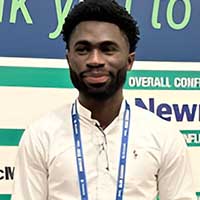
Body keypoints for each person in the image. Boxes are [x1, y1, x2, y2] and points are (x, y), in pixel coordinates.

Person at [11, 0, 196, 199]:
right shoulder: (41, 135)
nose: (95, 60)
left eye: (108, 49)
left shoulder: (163, 136)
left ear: (129, 61)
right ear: (68, 59)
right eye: (83, 49)